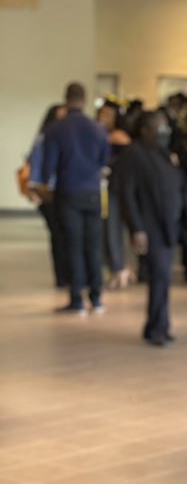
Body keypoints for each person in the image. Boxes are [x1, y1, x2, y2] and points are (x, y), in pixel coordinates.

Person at [117, 111, 187, 345]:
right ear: (146, 131)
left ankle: (156, 326)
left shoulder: (165, 155)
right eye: (159, 129)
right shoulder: (133, 154)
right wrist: (136, 228)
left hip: (169, 226)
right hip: (151, 228)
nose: (164, 133)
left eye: (165, 129)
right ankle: (158, 327)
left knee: (163, 278)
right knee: (160, 277)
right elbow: (127, 195)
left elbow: (181, 192)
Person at [42, 81, 110, 315]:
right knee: (93, 245)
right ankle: (97, 297)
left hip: (68, 191)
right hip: (93, 192)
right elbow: (104, 160)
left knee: (73, 245)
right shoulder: (98, 128)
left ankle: (76, 299)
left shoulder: (57, 129)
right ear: (85, 99)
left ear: (65, 99)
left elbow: (48, 166)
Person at [23, 103, 70, 289]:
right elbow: (34, 164)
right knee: (58, 235)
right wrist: (34, 190)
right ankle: (62, 276)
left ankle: (68, 274)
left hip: (65, 191)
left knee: (66, 235)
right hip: (49, 193)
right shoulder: (44, 139)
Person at [97, 98, 133, 290]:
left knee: (113, 229)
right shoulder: (98, 134)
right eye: (101, 114)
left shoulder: (121, 138)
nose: (104, 118)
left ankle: (118, 268)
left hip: (116, 189)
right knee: (104, 230)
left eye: (108, 115)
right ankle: (114, 267)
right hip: (101, 188)